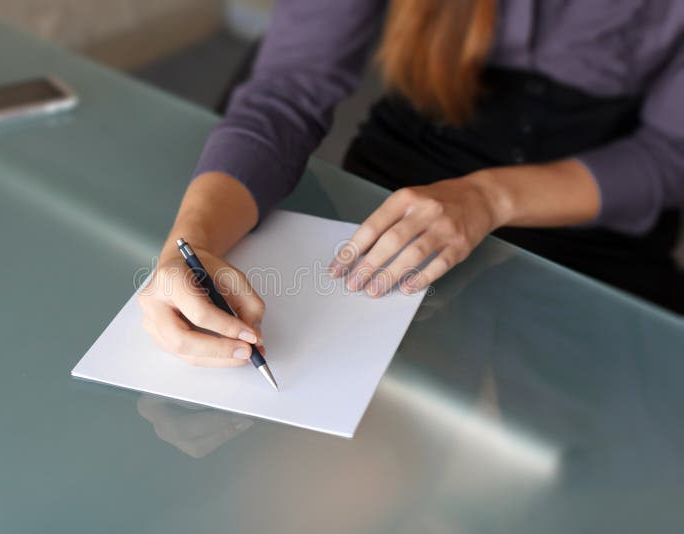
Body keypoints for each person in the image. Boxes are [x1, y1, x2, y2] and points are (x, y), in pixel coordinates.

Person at [139, 0, 684, 366]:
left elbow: (668, 154)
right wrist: (190, 245)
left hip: (591, 211)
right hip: (400, 178)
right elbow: (287, 88)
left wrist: (489, 198)